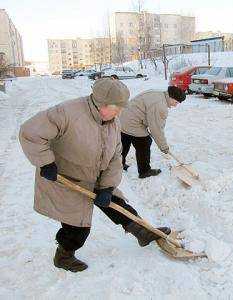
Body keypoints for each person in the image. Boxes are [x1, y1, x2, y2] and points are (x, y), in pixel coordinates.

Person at [19, 78, 170, 273]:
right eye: (116, 108)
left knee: (115, 202)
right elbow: (30, 132)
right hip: (65, 178)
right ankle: (64, 255)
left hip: (94, 175)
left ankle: (141, 231)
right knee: (78, 226)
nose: (119, 113)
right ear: (101, 104)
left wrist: (107, 186)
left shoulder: (113, 122)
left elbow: (116, 157)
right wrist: (46, 162)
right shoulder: (68, 112)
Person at [119, 86, 186, 178]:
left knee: (125, 140)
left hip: (123, 117)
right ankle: (144, 171)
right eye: (176, 102)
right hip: (133, 122)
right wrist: (164, 147)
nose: (175, 105)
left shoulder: (158, 93)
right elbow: (156, 129)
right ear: (171, 97)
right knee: (144, 142)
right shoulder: (160, 106)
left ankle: (118, 165)